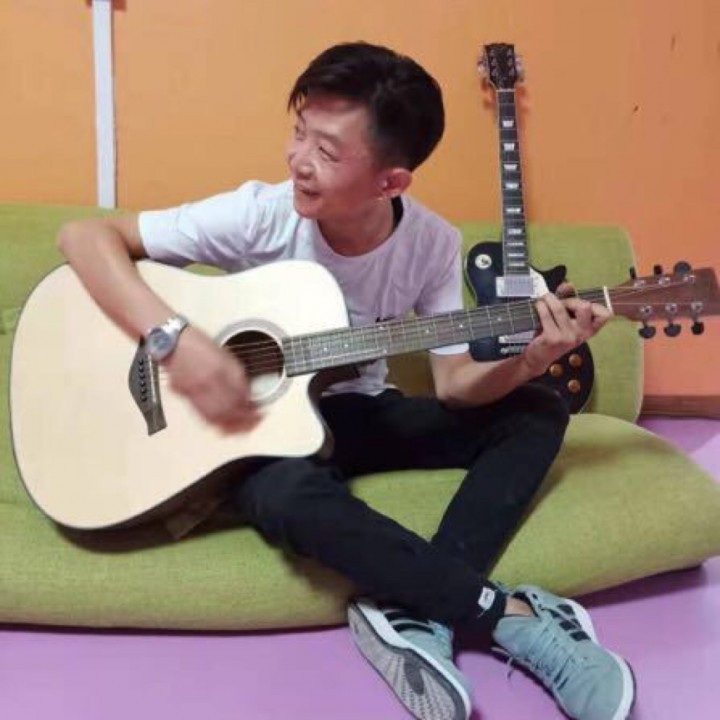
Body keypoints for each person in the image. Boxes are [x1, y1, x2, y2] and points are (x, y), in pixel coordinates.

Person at [58, 41, 635, 720]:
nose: (298, 159)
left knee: (537, 406)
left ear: (391, 182)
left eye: (327, 152)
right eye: (300, 132)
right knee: (284, 495)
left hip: (358, 414)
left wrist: (531, 359)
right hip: (258, 431)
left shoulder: (432, 244)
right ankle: (504, 615)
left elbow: (454, 386)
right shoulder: (260, 213)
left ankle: (416, 614)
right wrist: (175, 341)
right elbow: (84, 238)